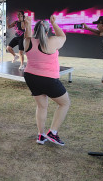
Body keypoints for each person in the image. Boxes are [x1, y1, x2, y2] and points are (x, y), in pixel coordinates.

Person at [23, 15, 70, 146]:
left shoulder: (28, 41)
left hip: (31, 77)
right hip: (48, 79)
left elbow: (27, 35)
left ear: (35, 29)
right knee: (64, 103)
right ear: (47, 31)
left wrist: (27, 24)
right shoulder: (52, 41)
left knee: (41, 106)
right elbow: (63, 37)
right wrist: (54, 24)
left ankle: (41, 135)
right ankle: (52, 132)